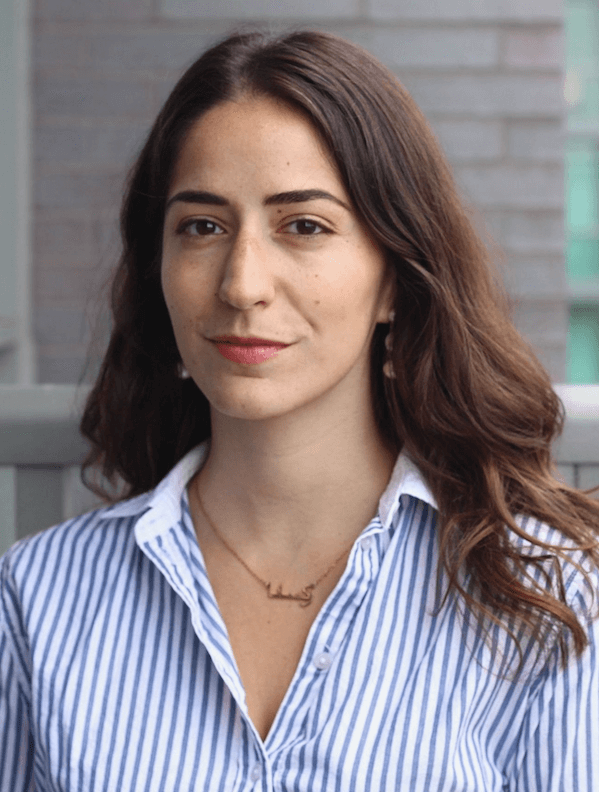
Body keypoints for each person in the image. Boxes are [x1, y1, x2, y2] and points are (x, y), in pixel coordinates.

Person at [1, 29, 598, 792]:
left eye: (304, 226)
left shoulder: (542, 597)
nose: (242, 283)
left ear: (393, 279)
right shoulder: (40, 595)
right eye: (203, 226)